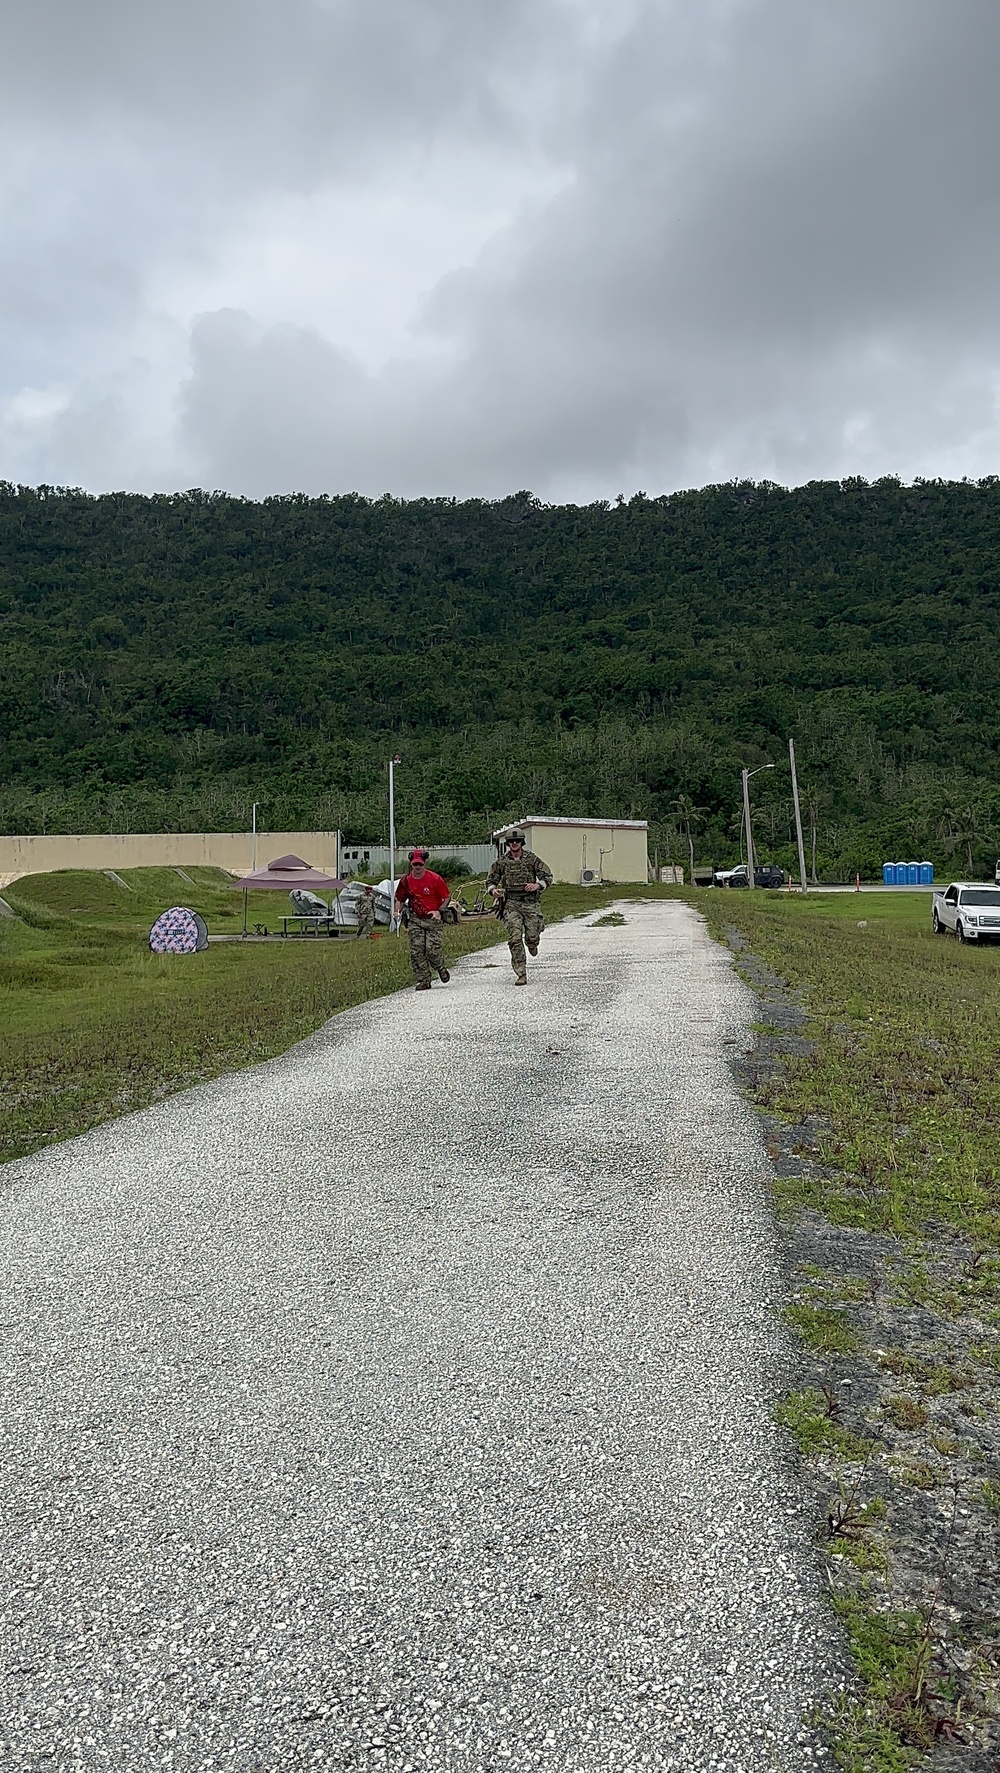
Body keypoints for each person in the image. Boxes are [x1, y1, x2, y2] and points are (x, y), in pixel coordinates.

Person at [487, 830, 553, 985]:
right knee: (515, 939)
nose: (514, 844)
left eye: (517, 841)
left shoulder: (531, 859)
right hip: (511, 903)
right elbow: (491, 880)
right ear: (508, 843)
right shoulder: (502, 862)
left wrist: (538, 885)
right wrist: (493, 890)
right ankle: (521, 973)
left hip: (530, 903)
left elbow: (548, 876)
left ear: (521, 842)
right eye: (511, 841)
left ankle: (532, 943)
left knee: (532, 935)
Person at [395, 848, 452, 990]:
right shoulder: (406, 881)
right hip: (416, 919)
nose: (418, 867)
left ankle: (440, 967)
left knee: (432, 949)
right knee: (417, 950)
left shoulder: (434, 879)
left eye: (420, 864)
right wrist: (397, 911)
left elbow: (446, 897)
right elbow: (400, 898)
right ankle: (424, 980)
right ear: (411, 864)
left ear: (424, 863)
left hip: (433, 919)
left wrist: (439, 911)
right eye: (415, 865)